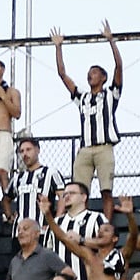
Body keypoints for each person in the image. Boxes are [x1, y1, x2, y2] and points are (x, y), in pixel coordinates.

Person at [52, 23, 124, 201]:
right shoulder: (82, 98)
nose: (90, 75)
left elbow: (119, 67)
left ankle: (106, 222)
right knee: (78, 189)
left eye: (95, 72)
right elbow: (62, 74)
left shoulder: (110, 94)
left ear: (103, 77)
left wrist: (111, 41)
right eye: (89, 72)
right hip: (85, 149)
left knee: (106, 189)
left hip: (104, 147)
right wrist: (58, 47)